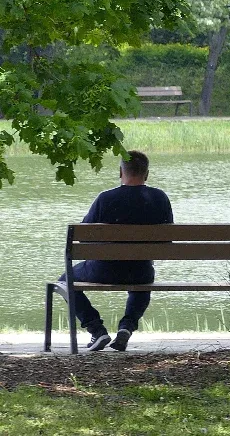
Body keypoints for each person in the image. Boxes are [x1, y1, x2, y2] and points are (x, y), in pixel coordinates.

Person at [65, 150, 173, 352]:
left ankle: (97, 331)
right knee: (144, 278)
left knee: (65, 279)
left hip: (103, 270)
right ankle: (126, 328)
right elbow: (167, 238)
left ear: (120, 172)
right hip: (141, 271)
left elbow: (83, 235)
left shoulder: (105, 199)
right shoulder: (160, 198)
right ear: (146, 174)